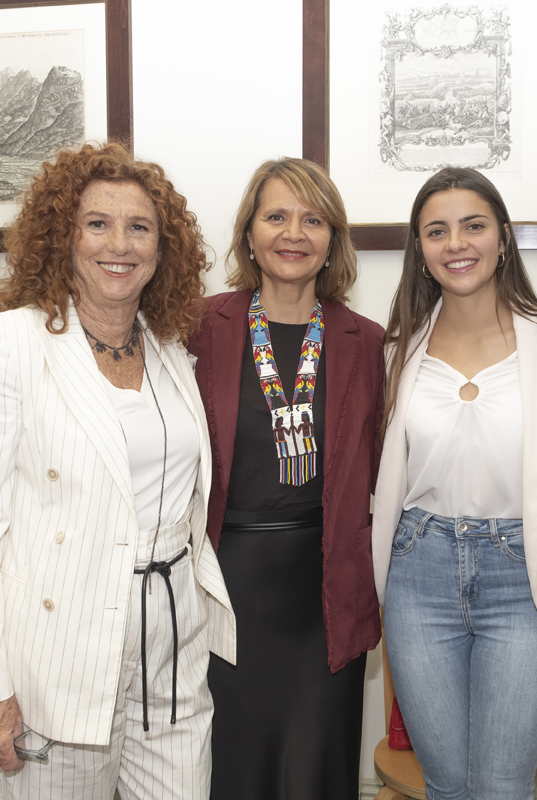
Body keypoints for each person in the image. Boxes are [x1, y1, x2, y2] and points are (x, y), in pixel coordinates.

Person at [0, 142, 233, 800]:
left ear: (162, 247)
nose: (119, 245)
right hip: (59, 657)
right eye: (97, 223)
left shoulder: (169, 349)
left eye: (139, 227)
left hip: (172, 650)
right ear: (62, 236)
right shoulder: (6, 345)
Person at [372, 167, 537, 800]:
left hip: (524, 575)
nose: (456, 244)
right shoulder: (397, 347)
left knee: (499, 786)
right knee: (445, 785)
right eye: (436, 231)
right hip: (419, 572)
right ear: (420, 249)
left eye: (473, 225)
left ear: (504, 238)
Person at [189, 158, 383, 800]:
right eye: (276, 216)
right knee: (232, 767)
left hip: (327, 587)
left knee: (316, 770)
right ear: (249, 233)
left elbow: (391, 464)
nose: (293, 233)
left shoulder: (367, 343)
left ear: (333, 240)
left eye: (313, 220)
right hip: (226, 585)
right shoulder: (195, 329)